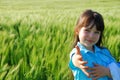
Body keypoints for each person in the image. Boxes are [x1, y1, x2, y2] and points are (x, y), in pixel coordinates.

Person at [69, 9, 120, 80]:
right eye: (87, 30)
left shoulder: (104, 52)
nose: (91, 36)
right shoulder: (79, 53)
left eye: (96, 32)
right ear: (77, 30)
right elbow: (74, 58)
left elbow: (117, 68)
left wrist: (108, 72)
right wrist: (77, 61)